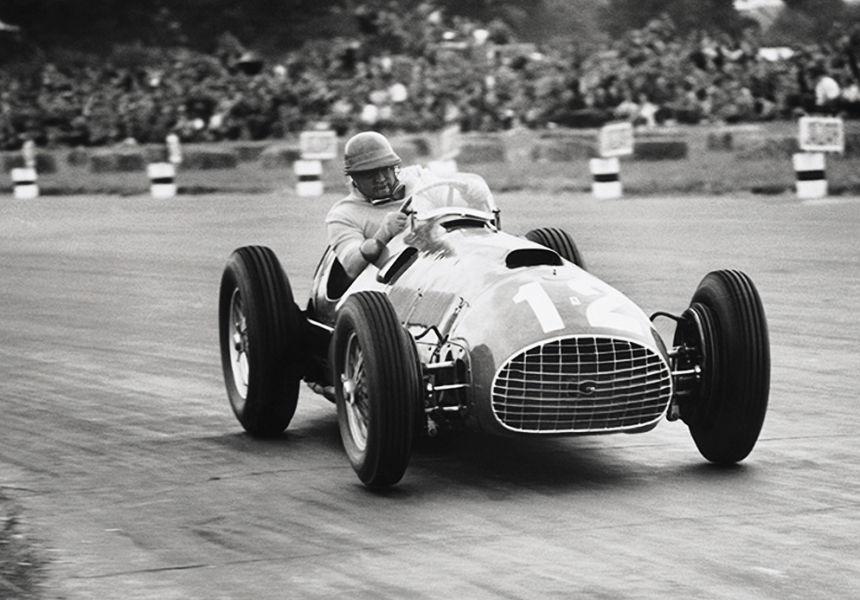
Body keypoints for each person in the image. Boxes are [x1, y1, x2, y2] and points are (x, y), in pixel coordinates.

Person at [326, 131, 430, 278]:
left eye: (386, 169)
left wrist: (470, 192)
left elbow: (452, 196)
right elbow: (351, 266)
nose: (381, 179)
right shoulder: (342, 215)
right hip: (399, 282)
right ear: (354, 178)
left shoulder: (417, 176)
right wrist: (383, 234)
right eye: (370, 174)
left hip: (444, 262)